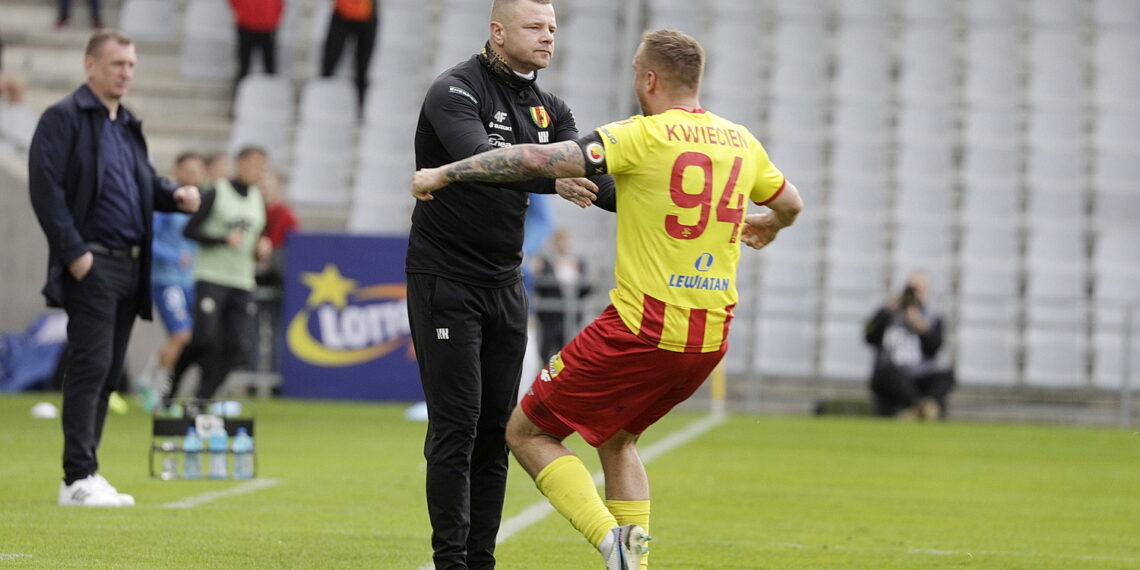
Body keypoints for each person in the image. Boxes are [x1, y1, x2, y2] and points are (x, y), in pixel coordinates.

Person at [412, 28, 803, 570]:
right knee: (618, 441)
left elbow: (530, 160)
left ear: (648, 79)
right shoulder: (741, 141)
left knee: (526, 432)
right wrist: (769, 225)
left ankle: (609, 540)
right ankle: (633, 563)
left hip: (641, 328)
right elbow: (792, 202)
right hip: (709, 338)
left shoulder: (642, 136)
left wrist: (446, 171)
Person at [405, 0, 617, 567]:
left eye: (552, 27)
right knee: (457, 425)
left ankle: (481, 561)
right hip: (446, 278)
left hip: (505, 280)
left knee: (498, 429)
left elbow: (600, 181)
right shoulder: (455, 91)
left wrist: (677, 204)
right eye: (534, 26)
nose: (548, 36)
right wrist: (558, 175)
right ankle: (450, 560)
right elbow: (483, 158)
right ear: (497, 32)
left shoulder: (551, 107)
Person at [28, 29, 201, 507]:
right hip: (93, 263)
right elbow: (45, 189)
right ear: (90, 66)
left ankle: (88, 472)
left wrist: (174, 196)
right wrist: (74, 253)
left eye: (130, 64)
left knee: (107, 373)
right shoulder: (62, 118)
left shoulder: (126, 124)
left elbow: (142, 183)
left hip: (130, 266)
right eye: (116, 64)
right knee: (89, 367)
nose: (125, 72)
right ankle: (76, 477)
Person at [166, 147, 271, 404]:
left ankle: (202, 397)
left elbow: (254, 240)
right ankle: (173, 381)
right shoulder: (218, 192)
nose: (257, 171)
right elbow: (190, 230)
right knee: (205, 338)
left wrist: (260, 249)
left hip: (242, 280)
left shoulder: (258, 198)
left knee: (238, 347)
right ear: (240, 163)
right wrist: (223, 239)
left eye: (262, 166)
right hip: (212, 276)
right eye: (253, 164)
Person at [136, 152, 207, 409]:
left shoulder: (201, 204)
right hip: (166, 279)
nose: (193, 174)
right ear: (177, 171)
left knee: (187, 337)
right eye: (188, 169)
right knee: (181, 334)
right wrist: (174, 256)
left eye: (198, 170)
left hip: (189, 281)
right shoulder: (169, 205)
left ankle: (154, 383)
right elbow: (148, 238)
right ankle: (152, 384)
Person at [864, 271, 956, 420]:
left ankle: (924, 407)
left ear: (926, 292)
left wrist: (921, 328)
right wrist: (887, 313)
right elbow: (869, 335)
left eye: (917, 289)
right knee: (887, 370)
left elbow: (935, 349)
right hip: (893, 374)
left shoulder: (932, 318)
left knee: (946, 376)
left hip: (919, 374)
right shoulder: (888, 313)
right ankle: (919, 407)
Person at [533, 226, 592, 361]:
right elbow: (540, 287)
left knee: (569, 353)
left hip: (572, 315)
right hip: (551, 317)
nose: (565, 244)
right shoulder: (546, 262)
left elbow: (585, 290)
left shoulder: (578, 262)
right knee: (547, 353)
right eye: (562, 240)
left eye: (567, 240)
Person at [318, 0, 380, 109]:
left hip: (366, 13)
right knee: (329, 62)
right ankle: (321, 102)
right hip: (342, 12)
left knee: (362, 68)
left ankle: (359, 110)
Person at [229, 0, 284, 90]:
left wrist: (275, 19)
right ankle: (240, 95)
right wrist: (239, 11)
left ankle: (271, 94)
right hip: (245, 22)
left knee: (269, 65)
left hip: (268, 23)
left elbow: (279, 3)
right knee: (244, 65)